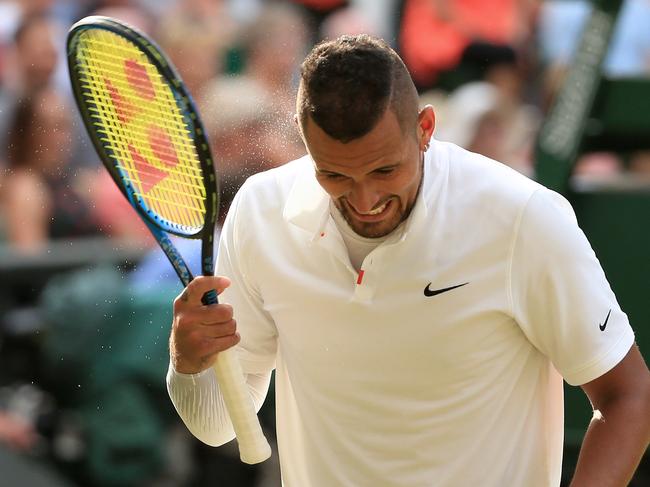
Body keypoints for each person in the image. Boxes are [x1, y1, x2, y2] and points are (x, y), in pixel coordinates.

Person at [167, 35, 650, 486]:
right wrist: (187, 365)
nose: (364, 198)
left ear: (425, 129)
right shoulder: (259, 210)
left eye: (385, 169)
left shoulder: (521, 217)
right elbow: (220, 425)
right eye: (334, 174)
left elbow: (629, 397)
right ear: (304, 138)